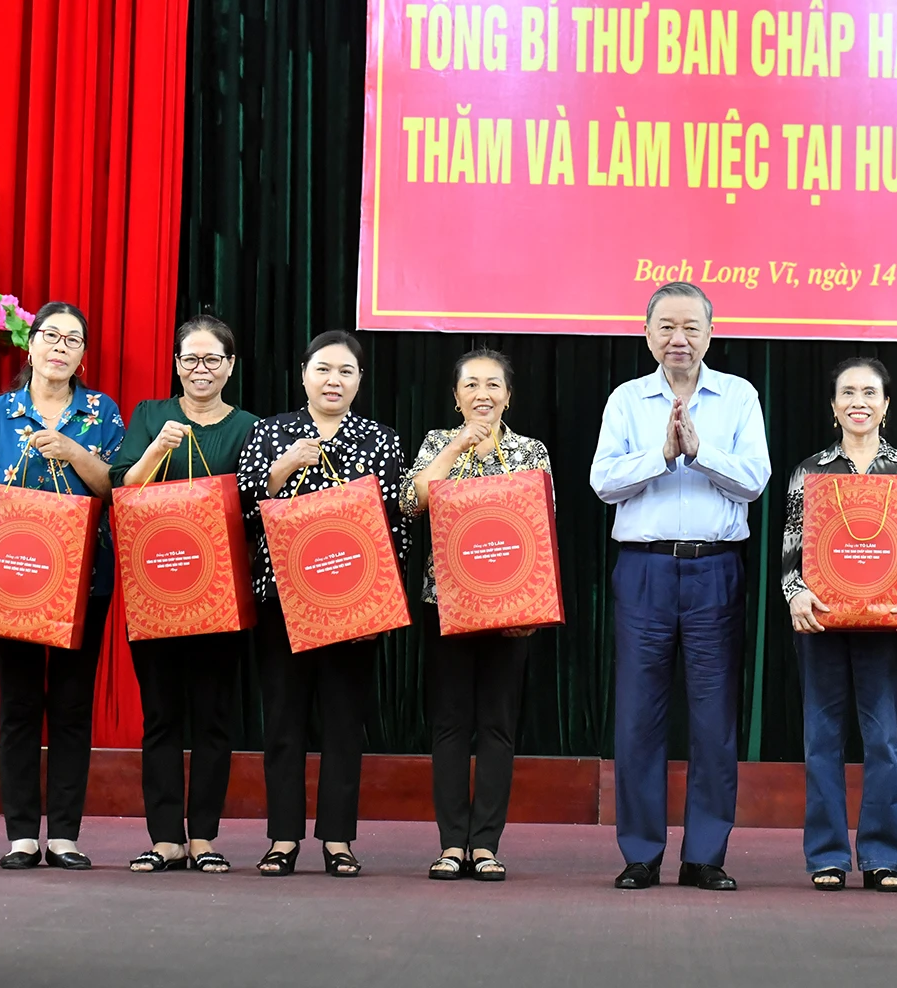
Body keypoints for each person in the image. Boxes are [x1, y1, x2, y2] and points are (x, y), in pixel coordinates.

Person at [590, 281, 770, 891]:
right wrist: (661, 456)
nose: (679, 339)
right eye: (667, 326)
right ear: (647, 335)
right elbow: (603, 482)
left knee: (713, 718)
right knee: (639, 716)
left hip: (715, 568)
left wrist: (700, 452)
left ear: (710, 335)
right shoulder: (625, 400)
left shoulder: (739, 397)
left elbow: (754, 480)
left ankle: (705, 855)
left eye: (691, 327)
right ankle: (640, 853)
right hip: (643, 570)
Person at [0, 301, 125, 870]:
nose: (59, 347)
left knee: (73, 706)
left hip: (86, 581)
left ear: (82, 355)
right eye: (50, 336)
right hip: (11, 584)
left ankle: (66, 835)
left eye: (72, 340)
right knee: (20, 705)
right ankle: (23, 834)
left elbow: (113, 490)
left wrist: (72, 450)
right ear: (30, 346)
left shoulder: (101, 413)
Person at [236, 330, 408, 879]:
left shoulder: (380, 439)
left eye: (346, 372)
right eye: (324, 370)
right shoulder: (270, 433)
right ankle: (283, 838)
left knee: (342, 722)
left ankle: (337, 838)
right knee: (283, 723)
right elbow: (240, 511)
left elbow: (395, 526)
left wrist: (382, 603)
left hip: (354, 604)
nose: (334, 381)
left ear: (360, 380)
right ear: (304, 373)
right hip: (282, 600)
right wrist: (282, 468)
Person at [782, 357, 897, 893]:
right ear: (832, 406)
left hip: (889, 623)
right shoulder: (810, 471)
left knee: (884, 741)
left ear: (886, 404)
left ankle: (883, 856)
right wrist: (795, 592)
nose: (859, 402)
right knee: (822, 740)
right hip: (822, 621)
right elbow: (792, 543)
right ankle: (827, 855)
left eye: (869, 392)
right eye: (847, 392)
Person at [398, 349, 552, 882]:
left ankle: (485, 844)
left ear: (509, 395)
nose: (482, 394)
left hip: (512, 608)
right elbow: (410, 501)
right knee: (449, 726)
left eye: (493, 385)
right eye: (471, 385)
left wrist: (537, 601)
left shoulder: (531, 451)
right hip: (448, 603)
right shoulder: (438, 443)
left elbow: (542, 527)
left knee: (497, 727)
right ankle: (450, 844)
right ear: (456, 395)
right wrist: (458, 446)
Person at [112, 314, 258, 875]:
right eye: (190, 359)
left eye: (212, 360)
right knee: (162, 717)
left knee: (214, 718)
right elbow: (122, 485)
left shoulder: (248, 426)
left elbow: (253, 505)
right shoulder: (151, 416)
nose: (201, 369)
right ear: (176, 364)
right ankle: (166, 837)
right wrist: (157, 449)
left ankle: (206, 839)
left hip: (220, 593)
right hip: (156, 589)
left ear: (230, 366)